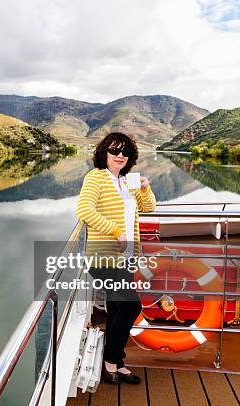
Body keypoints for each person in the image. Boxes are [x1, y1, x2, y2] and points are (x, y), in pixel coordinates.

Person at [76, 132, 156, 384]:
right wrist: (116, 230)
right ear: (104, 153)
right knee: (132, 306)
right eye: (114, 150)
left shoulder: (125, 181)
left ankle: (115, 363)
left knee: (117, 307)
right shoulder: (96, 177)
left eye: (125, 152)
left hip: (126, 256)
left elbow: (148, 207)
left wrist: (144, 188)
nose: (119, 155)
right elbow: (84, 209)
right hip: (104, 255)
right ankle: (113, 361)